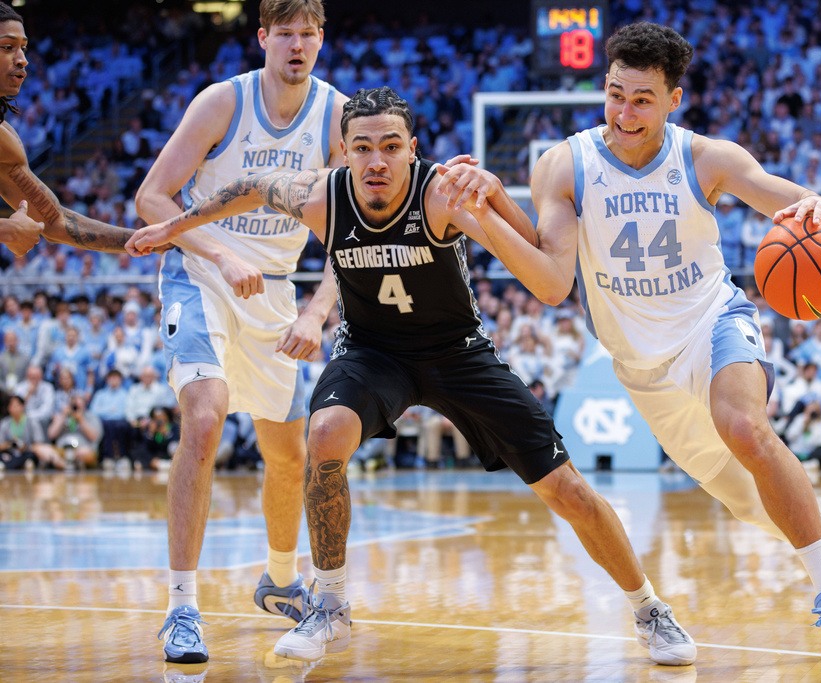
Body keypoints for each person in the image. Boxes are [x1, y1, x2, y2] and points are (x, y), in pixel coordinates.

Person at [128, 86, 698, 668]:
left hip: (457, 354)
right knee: (323, 434)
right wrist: (176, 225)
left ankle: (649, 608)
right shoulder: (323, 197)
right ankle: (330, 605)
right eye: (362, 148)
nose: (376, 161)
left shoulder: (443, 196)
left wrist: (493, 198)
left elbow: (549, 282)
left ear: (413, 149)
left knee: (567, 490)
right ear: (344, 152)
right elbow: (249, 187)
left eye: (391, 147)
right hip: (373, 353)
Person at [436, 23, 821, 670]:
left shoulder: (707, 158)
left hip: (712, 324)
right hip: (643, 367)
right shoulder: (565, 165)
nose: (624, 113)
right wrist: (482, 212)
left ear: (674, 98)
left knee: (745, 427)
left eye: (642, 100)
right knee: (747, 503)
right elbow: (553, 282)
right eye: (615, 95)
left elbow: (788, 199)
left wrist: (819, 207)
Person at [131, 0, 347, 664]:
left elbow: (351, 233)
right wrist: (222, 253)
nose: (297, 45)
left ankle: (280, 580)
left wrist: (316, 313)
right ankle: (181, 607)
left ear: (321, 40)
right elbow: (152, 197)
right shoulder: (222, 102)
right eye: (285, 33)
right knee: (205, 419)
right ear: (262, 38)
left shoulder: (336, 115)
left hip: (274, 289)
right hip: (200, 273)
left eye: (308, 33)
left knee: (288, 455)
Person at [0, 3, 138, 257]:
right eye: (8, 47)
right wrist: (6, 230)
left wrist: (152, 239)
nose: (22, 59)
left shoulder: (4, 138)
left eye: (23, 48)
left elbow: (55, 221)